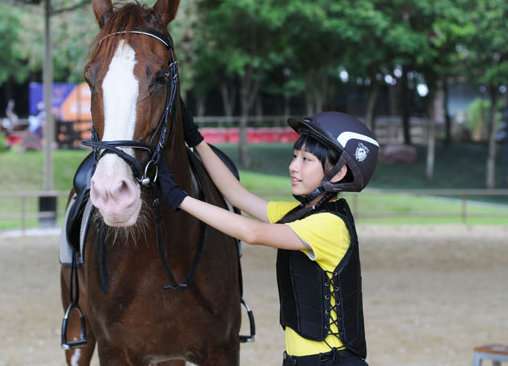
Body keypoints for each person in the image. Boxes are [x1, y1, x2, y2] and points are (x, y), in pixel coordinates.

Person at [158, 105, 379, 366]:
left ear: (339, 172)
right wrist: (195, 139)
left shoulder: (329, 226)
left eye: (306, 160)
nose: (293, 167)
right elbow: (236, 194)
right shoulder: (301, 214)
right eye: (294, 156)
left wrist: (179, 199)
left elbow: (251, 233)